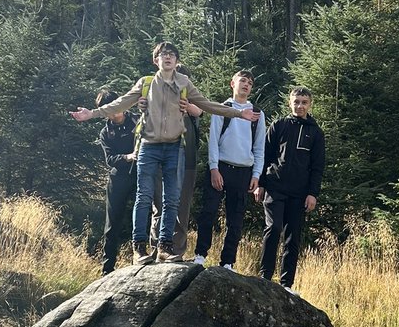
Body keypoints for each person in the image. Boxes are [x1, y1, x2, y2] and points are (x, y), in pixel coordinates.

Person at [70, 41, 259, 265]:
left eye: (171, 55)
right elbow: (120, 103)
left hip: (174, 148)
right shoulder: (146, 83)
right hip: (149, 147)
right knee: (144, 197)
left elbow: (207, 105)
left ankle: (165, 247)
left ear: (177, 61)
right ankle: (139, 249)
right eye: (163, 54)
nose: (167, 57)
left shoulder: (184, 82)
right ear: (156, 60)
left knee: (171, 199)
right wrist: (91, 113)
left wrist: (238, 114)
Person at [254, 86, 325, 294]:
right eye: (296, 102)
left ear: (309, 104)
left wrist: (313, 193)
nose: (300, 106)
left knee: (293, 237)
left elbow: (317, 166)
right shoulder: (279, 125)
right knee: (273, 228)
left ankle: (286, 284)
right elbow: (265, 155)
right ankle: (265, 277)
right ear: (290, 103)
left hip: (300, 193)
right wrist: (260, 184)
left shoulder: (316, 133)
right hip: (275, 188)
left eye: (304, 102)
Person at [193, 70, 265, 271]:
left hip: (244, 171)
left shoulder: (258, 113)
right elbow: (213, 141)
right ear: (232, 83)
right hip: (221, 167)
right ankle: (200, 255)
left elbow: (259, 146)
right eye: (242, 81)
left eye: (250, 82)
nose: (246, 85)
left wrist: (256, 175)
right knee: (209, 212)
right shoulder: (222, 108)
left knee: (236, 218)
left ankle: (228, 262)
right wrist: (214, 168)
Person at [151, 65, 202, 259]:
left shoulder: (192, 106)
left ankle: (177, 251)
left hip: (188, 163)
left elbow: (200, 112)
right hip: (161, 162)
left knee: (182, 208)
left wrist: (188, 107)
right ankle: (156, 249)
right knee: (160, 205)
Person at [95, 89, 138, 275]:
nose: (115, 113)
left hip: (140, 174)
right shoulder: (105, 132)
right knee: (112, 225)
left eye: (117, 107)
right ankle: (107, 269)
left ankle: (142, 260)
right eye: (109, 110)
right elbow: (110, 159)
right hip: (117, 178)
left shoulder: (137, 120)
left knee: (142, 218)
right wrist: (128, 157)